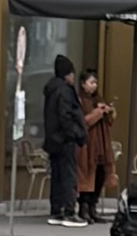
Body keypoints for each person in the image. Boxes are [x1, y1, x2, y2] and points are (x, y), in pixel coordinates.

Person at [41, 50, 85, 224]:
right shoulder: (65, 91)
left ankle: (56, 210)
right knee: (68, 175)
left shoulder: (51, 90)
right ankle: (69, 211)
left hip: (53, 140)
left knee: (57, 176)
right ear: (67, 74)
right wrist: (74, 133)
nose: (73, 77)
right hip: (65, 140)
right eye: (72, 73)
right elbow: (66, 116)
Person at [77, 67, 117, 223]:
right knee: (87, 175)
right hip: (87, 145)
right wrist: (98, 112)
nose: (94, 86)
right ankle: (84, 208)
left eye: (95, 83)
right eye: (91, 82)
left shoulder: (98, 99)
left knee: (100, 174)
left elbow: (110, 122)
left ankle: (93, 207)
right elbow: (84, 122)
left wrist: (109, 111)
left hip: (101, 144)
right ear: (83, 84)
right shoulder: (80, 101)